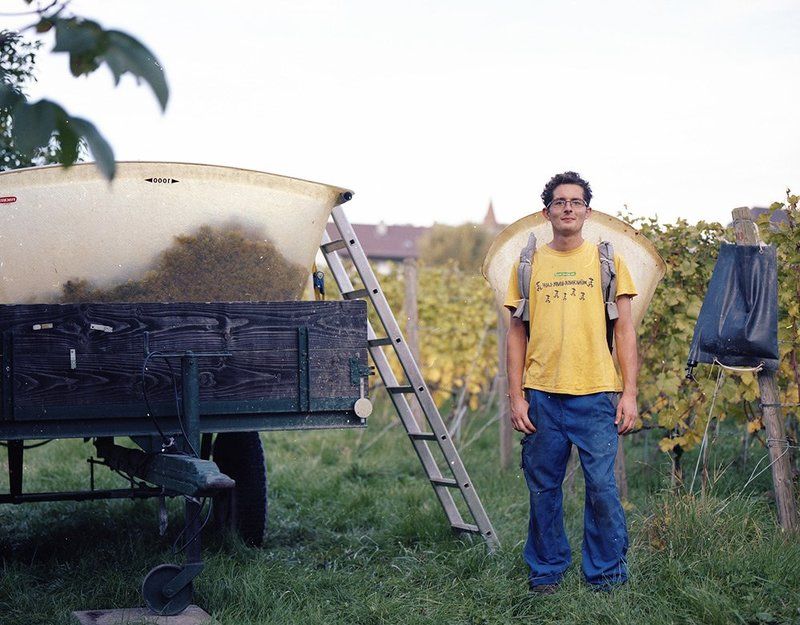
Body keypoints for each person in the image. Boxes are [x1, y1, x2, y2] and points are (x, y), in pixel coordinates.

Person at [504, 171, 639, 593]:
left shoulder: (607, 261)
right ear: (547, 212)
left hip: (597, 393)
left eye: (576, 202)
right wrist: (516, 397)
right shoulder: (528, 264)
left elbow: (625, 331)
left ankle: (606, 575)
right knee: (544, 489)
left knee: (602, 489)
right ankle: (547, 571)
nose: (568, 208)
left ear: (587, 211)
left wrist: (630, 392)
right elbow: (516, 333)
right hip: (542, 394)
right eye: (559, 202)